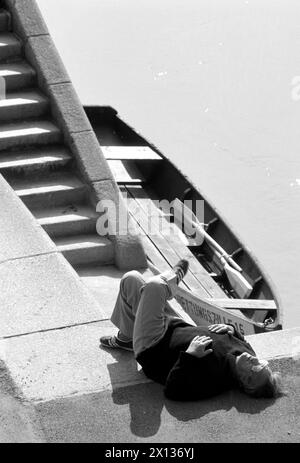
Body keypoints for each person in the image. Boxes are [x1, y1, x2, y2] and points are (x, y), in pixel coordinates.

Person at [100, 260, 282, 401]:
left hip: (152, 345)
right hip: (174, 324)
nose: (255, 358)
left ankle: (172, 280)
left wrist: (190, 356)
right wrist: (231, 328)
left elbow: (173, 391)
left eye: (257, 366)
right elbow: (240, 338)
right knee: (132, 281)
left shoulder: (215, 380)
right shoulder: (247, 354)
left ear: (247, 381)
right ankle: (126, 339)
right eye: (263, 362)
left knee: (154, 286)